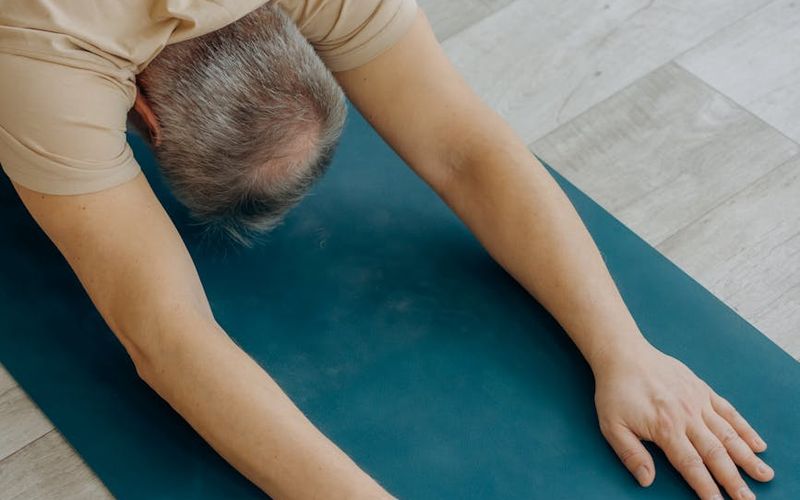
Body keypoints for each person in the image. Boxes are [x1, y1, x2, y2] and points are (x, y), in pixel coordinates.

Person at [0, 1, 775, 499]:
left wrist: (626, 351)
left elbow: (465, 150)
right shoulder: (44, 57)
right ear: (143, 119)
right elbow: (168, 341)